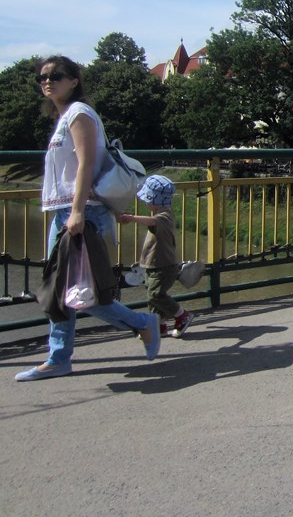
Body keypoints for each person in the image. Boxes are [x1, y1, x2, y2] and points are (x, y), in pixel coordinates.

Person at [15, 56, 161, 382]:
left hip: (81, 211)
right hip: (65, 212)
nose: (47, 81)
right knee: (64, 290)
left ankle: (141, 324)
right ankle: (59, 357)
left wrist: (78, 210)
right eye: (42, 77)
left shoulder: (80, 114)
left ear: (74, 80)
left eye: (56, 75)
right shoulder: (65, 116)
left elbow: (85, 164)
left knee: (78, 292)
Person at [118, 175, 195, 338]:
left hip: (164, 267)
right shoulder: (160, 215)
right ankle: (157, 326)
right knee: (152, 297)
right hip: (153, 266)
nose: (145, 203)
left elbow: (153, 222)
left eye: (147, 199)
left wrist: (131, 218)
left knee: (156, 295)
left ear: (156, 200)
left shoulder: (164, 216)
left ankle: (182, 314)